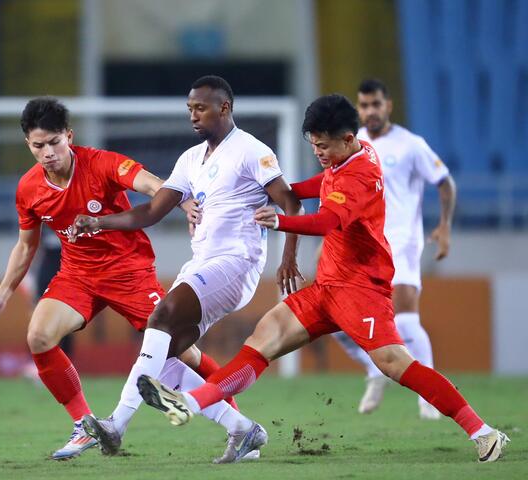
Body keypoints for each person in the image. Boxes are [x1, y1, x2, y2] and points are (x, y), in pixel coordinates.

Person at [137, 94, 510, 464]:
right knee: (263, 340)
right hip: (325, 288)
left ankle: (483, 432)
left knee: (396, 364)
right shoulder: (349, 154)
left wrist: (279, 219)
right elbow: (321, 182)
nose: (318, 151)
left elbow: (326, 221)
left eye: (323, 145)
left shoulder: (361, 175)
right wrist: (270, 190)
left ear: (347, 139)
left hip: (360, 291)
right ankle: (190, 402)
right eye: (313, 144)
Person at [0, 97, 238, 460]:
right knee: (38, 336)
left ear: (69, 136)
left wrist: (179, 201)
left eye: (55, 142)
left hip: (129, 271)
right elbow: (26, 246)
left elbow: (147, 182)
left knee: (179, 351)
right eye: (39, 146)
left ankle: (238, 424)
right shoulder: (28, 189)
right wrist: (4, 294)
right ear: (28, 145)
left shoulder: (102, 163)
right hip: (77, 274)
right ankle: (85, 426)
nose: (48, 152)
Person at [70, 75, 302, 463]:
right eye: (189, 109)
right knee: (163, 354)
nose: (193, 115)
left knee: (160, 316)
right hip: (202, 261)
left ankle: (115, 426)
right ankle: (243, 430)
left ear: (224, 108)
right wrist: (99, 223)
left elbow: (292, 205)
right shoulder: (191, 158)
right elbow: (151, 211)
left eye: (201, 108)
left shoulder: (251, 150)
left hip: (237, 261)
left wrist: (288, 257)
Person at [331, 78, 457, 418]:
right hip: (362, 244)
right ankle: (374, 369)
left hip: (400, 241)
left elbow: (445, 183)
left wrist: (444, 227)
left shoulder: (411, 145)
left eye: (376, 104)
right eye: (364, 105)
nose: (370, 111)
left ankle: (430, 396)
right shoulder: (353, 145)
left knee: (404, 318)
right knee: (338, 320)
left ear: (388, 106)